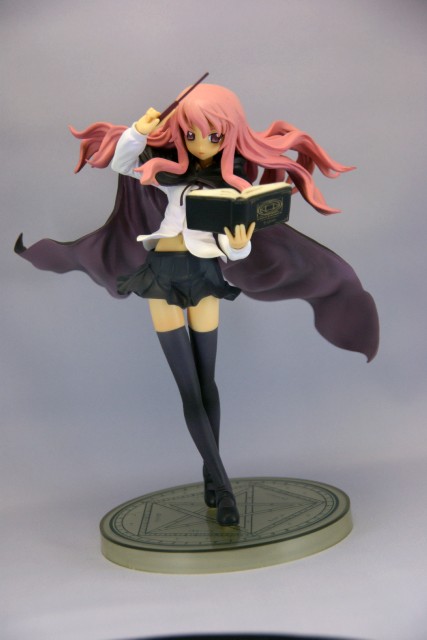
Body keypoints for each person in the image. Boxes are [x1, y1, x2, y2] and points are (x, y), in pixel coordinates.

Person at [15, 83, 379, 526]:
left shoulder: (229, 187)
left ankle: (212, 475)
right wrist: (138, 131)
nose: (201, 144)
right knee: (187, 387)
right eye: (191, 135)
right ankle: (223, 487)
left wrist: (240, 246)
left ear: (229, 136)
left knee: (208, 381)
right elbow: (122, 163)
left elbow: (232, 250)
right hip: (161, 274)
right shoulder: (166, 172)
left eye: (212, 136)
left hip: (205, 274)